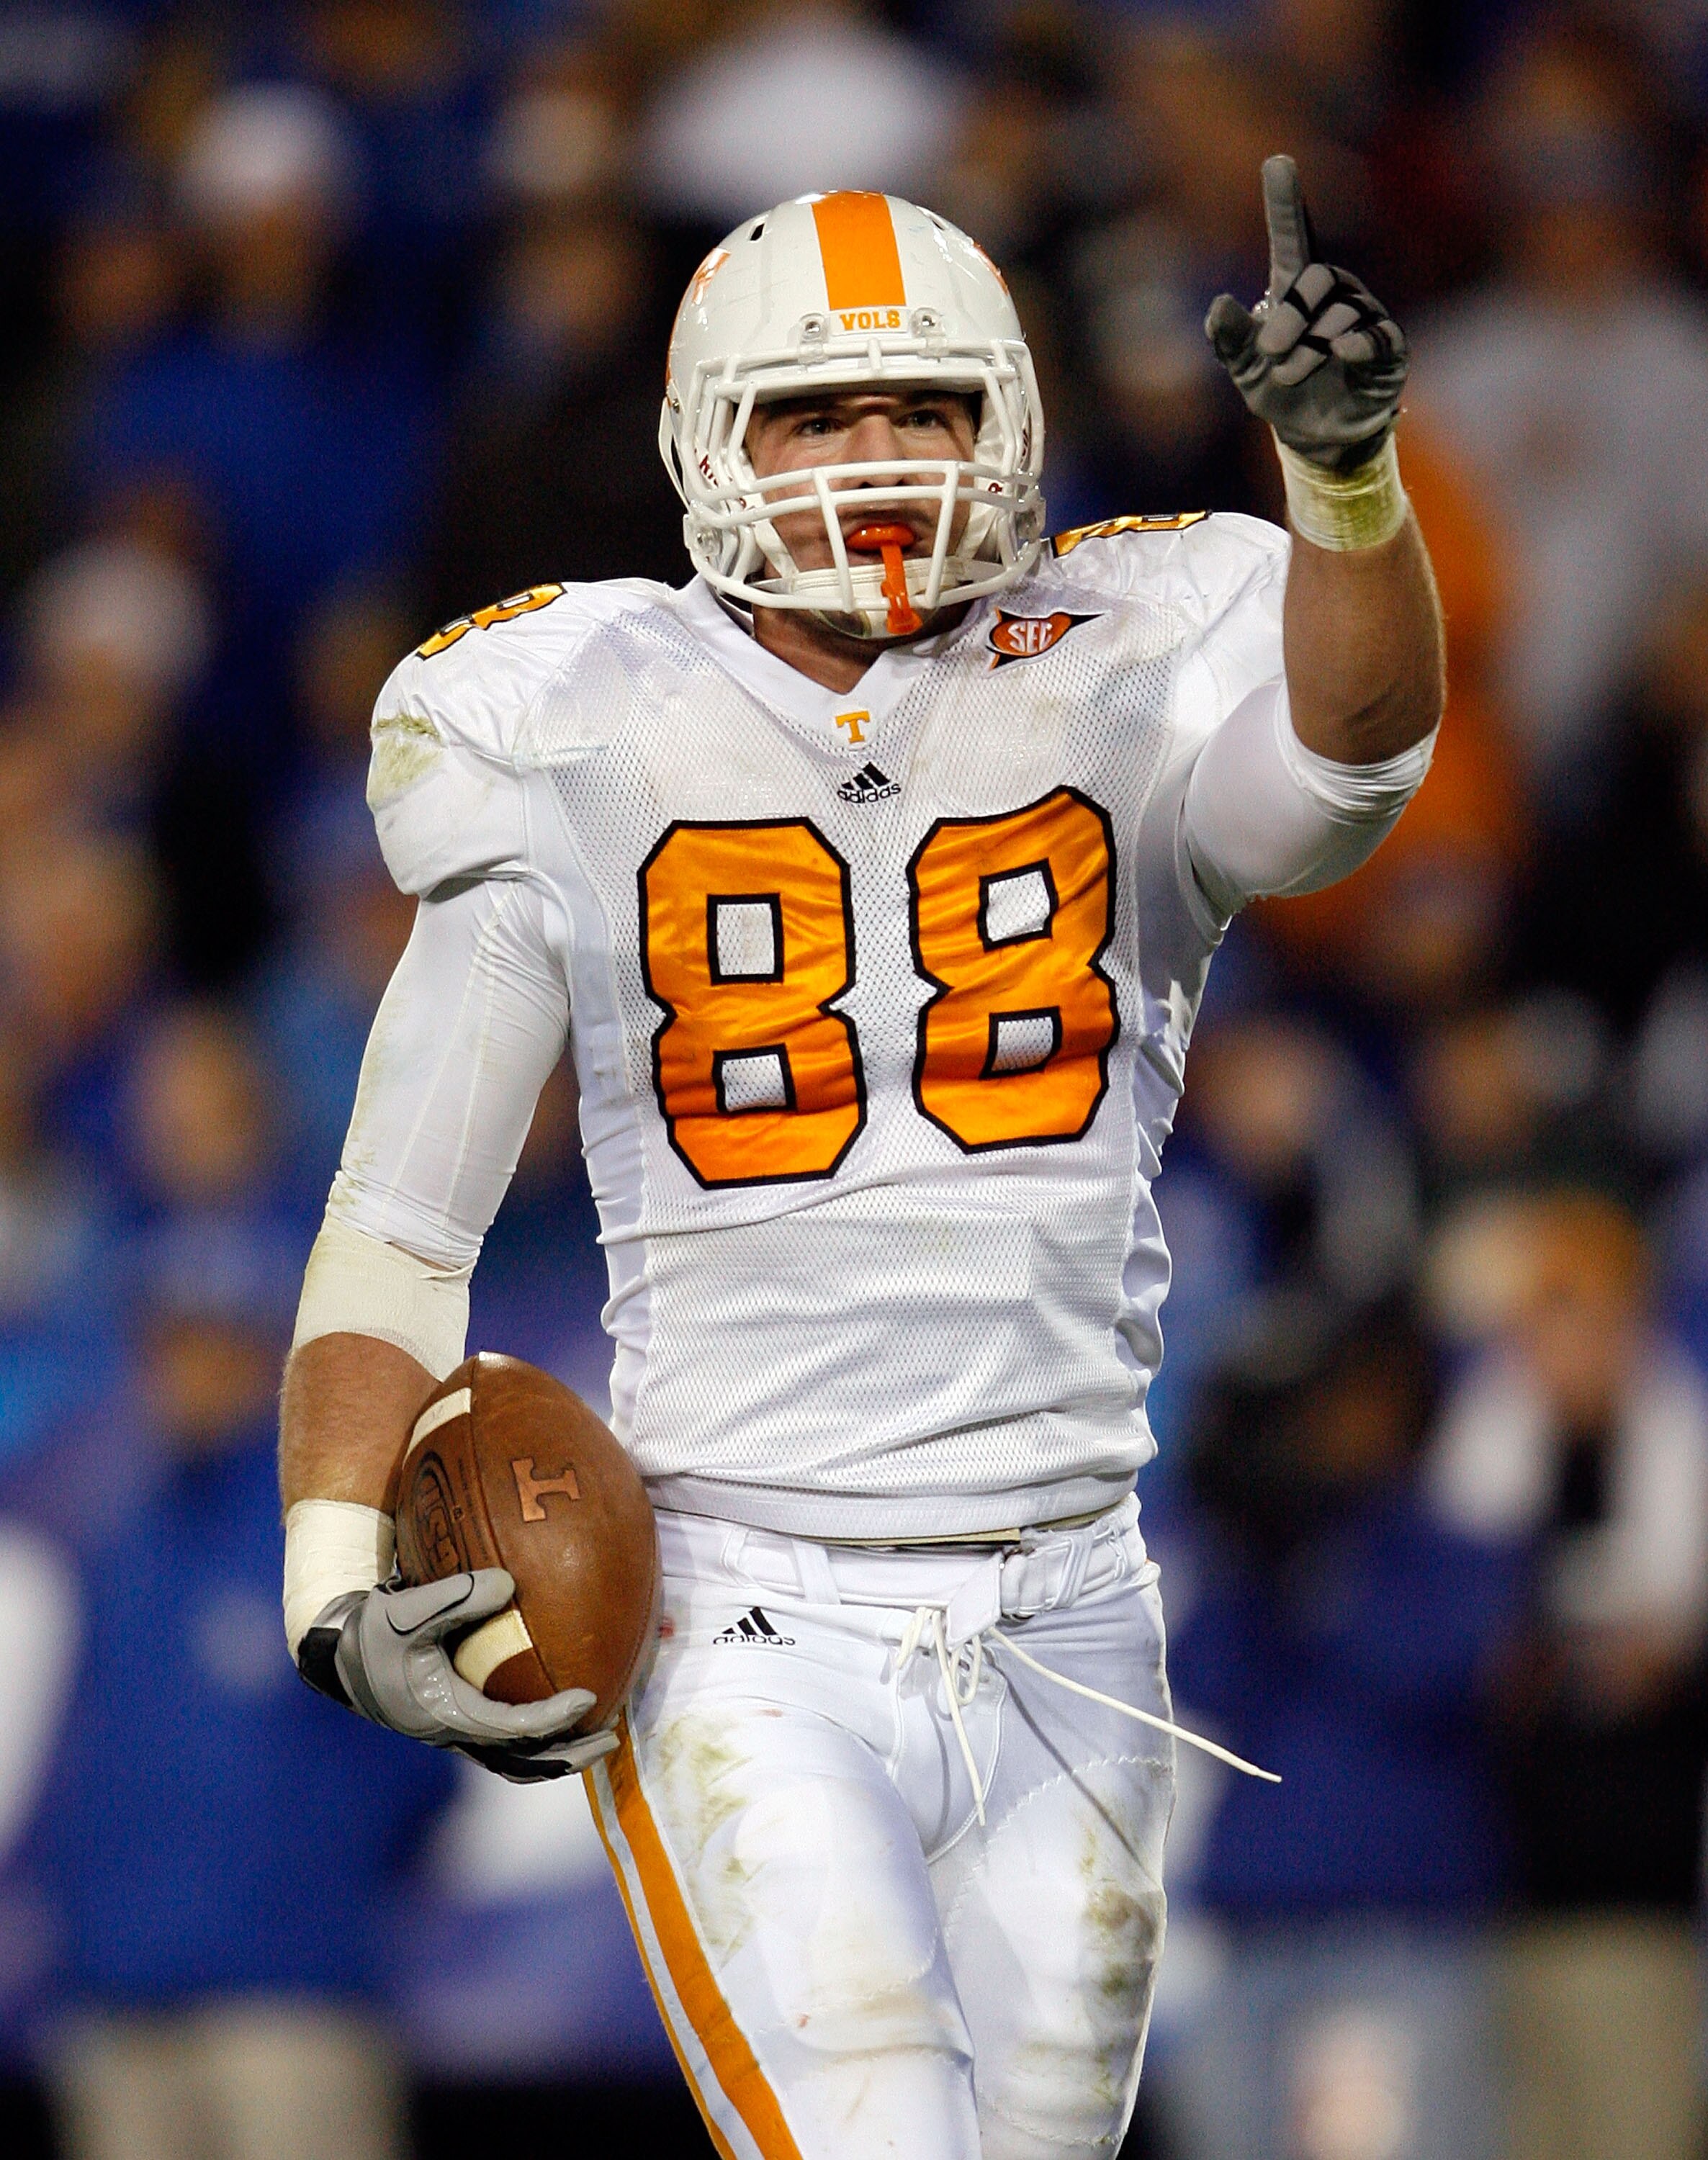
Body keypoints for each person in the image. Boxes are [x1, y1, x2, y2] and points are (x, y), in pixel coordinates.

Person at [277, 166, 1442, 2159]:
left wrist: (1346, 488)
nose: (876, 457)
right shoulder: (571, 721)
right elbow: (400, 1219)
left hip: (1077, 1604)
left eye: (923, 408)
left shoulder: (1128, 654)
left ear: (1011, 424)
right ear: (704, 440)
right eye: (816, 413)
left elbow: (1340, 765)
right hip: (745, 1610)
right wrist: (326, 1574)